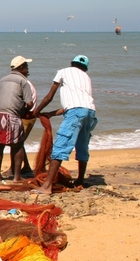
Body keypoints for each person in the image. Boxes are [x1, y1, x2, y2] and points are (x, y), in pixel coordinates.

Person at [32, 55, 97, 194]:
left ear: (71, 64)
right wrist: (50, 114)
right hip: (90, 112)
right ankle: (80, 180)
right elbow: (76, 106)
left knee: (61, 144)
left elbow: (49, 97)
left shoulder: (63, 71)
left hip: (77, 111)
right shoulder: (86, 78)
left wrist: (37, 111)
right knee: (82, 144)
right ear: (85, 67)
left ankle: (47, 186)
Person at [0, 56, 34, 183]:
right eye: (26, 67)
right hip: (12, 114)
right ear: (21, 68)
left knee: (0, 144)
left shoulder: (2, 80)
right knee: (18, 145)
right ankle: (17, 177)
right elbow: (30, 103)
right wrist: (26, 112)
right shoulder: (23, 81)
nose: (27, 69)